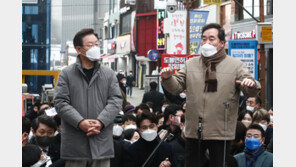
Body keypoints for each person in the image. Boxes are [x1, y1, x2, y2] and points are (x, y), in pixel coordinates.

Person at [161, 23, 261, 167]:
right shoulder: (191, 64)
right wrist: (168, 78)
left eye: (211, 39)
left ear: (221, 43)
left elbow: (250, 87)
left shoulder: (235, 65)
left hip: (221, 130)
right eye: (204, 39)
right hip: (194, 129)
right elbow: (176, 87)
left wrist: (250, 84)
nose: (206, 42)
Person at [54, 28, 123, 167]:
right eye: (90, 45)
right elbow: (60, 102)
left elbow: (116, 100)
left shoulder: (109, 74)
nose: (95, 48)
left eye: (97, 44)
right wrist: (80, 122)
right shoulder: (66, 74)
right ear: (79, 49)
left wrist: (100, 122)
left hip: (101, 140)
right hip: (75, 144)